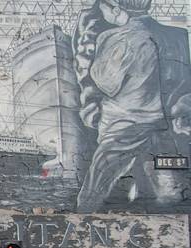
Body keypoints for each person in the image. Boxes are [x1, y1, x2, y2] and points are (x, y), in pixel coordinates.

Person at [75, 0, 191, 210]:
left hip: (125, 128)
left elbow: (104, 82)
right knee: (166, 196)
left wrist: (87, 38)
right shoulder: (178, 36)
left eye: (103, 9)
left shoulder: (116, 38)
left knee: (92, 196)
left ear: (117, 9)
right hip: (167, 129)